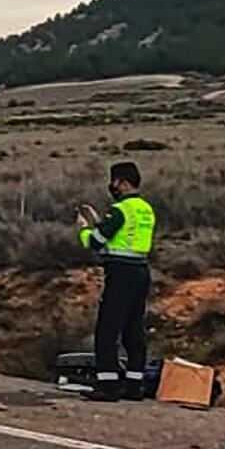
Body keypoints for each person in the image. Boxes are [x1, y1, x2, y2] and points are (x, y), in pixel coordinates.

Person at [77, 161, 156, 401]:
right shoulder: (145, 209)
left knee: (107, 330)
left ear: (121, 182)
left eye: (114, 181)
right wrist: (100, 223)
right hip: (141, 271)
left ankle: (108, 384)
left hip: (121, 273)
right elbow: (122, 237)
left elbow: (96, 242)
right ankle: (134, 384)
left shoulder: (120, 210)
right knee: (134, 329)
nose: (112, 186)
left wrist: (83, 229)